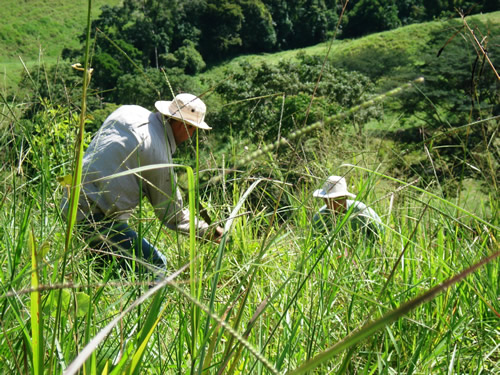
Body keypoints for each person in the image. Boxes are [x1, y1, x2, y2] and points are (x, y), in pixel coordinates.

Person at [61, 93, 224, 273]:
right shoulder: (157, 152)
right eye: (192, 128)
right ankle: (149, 301)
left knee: (107, 273)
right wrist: (209, 232)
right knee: (156, 265)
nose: (191, 135)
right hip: (94, 219)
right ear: (180, 124)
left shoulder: (129, 111)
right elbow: (172, 215)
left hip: (69, 202)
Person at [312, 175, 384, 239]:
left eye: (336, 200)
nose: (331, 204)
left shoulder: (361, 211)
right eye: (327, 200)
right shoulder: (319, 218)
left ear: (345, 197)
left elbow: (380, 232)